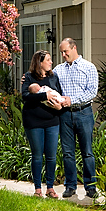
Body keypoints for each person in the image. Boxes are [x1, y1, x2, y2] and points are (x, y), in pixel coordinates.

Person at [54, 37, 99, 199]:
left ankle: (91, 186)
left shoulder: (89, 67)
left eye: (65, 51)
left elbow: (91, 92)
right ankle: (70, 186)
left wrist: (72, 100)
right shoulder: (58, 70)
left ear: (74, 48)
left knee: (87, 152)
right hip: (65, 115)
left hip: (84, 113)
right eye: (62, 52)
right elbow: (47, 82)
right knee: (68, 152)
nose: (63, 55)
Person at [21, 50, 63, 198]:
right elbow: (25, 96)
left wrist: (60, 105)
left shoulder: (53, 77)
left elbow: (59, 93)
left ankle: (50, 188)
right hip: (34, 122)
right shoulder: (28, 77)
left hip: (52, 120)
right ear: (40, 62)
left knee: (51, 156)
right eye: (48, 60)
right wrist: (44, 95)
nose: (51, 62)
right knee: (37, 155)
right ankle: (38, 189)